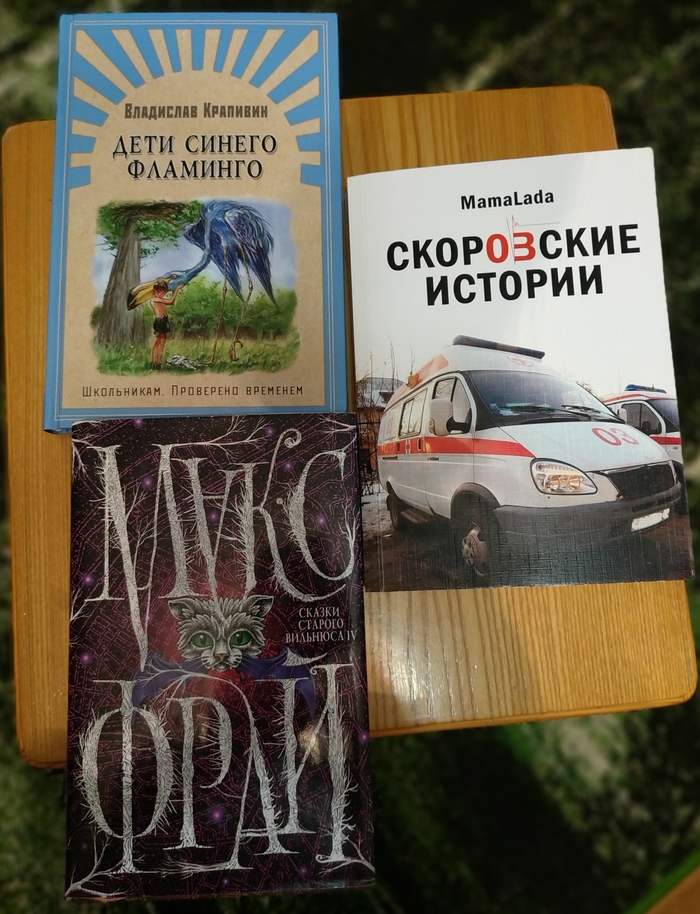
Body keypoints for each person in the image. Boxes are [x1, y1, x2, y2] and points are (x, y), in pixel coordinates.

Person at [149, 279, 182, 369]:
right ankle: (157, 362)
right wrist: (177, 289)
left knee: (160, 341)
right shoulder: (155, 299)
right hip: (160, 321)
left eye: (163, 292)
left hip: (163, 321)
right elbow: (171, 301)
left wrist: (173, 290)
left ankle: (156, 362)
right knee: (161, 342)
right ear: (156, 291)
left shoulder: (158, 299)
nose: (162, 294)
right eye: (160, 292)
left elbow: (171, 302)